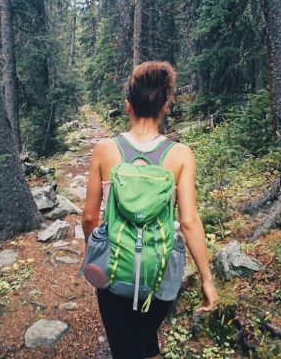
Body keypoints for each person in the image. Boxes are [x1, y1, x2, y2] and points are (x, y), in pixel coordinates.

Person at [81, 61, 219, 359]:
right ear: (166, 106)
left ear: (127, 105)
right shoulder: (180, 154)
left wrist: (96, 251)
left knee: (126, 348)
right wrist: (207, 279)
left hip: (115, 272)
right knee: (146, 337)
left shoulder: (106, 150)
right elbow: (190, 222)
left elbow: (90, 217)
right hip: (161, 275)